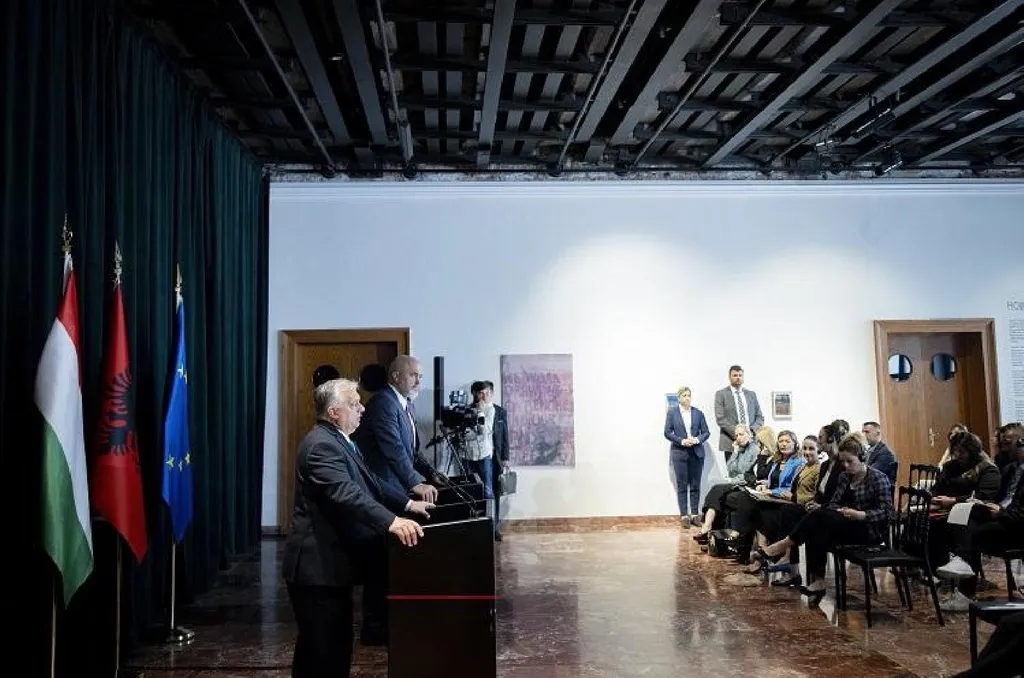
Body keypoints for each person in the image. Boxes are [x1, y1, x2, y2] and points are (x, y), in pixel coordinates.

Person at [283, 378, 433, 677]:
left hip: (332, 567)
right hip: (316, 569)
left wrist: (407, 504)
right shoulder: (321, 446)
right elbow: (348, 494)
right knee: (324, 654)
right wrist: (392, 521)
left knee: (328, 650)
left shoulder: (341, 440)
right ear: (334, 412)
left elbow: (371, 481)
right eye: (354, 404)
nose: (362, 408)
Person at [757, 432, 894, 606]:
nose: (845, 465)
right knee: (817, 524)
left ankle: (785, 545)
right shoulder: (845, 477)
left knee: (819, 517)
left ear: (862, 458)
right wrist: (840, 510)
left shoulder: (877, 478)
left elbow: (887, 513)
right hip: (845, 523)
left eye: (849, 461)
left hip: (868, 530)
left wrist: (861, 515)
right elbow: (834, 503)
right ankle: (818, 580)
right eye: (843, 462)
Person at [354, 355, 443, 503]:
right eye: (413, 375)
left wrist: (431, 472)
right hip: (382, 490)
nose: (418, 382)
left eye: (420, 377)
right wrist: (415, 483)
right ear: (396, 376)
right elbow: (394, 448)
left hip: (399, 487)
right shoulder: (383, 402)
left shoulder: (408, 404)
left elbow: (412, 451)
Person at [463, 380, 510, 541]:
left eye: (488, 393)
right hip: (470, 456)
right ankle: (475, 527)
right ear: (475, 394)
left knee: (492, 492)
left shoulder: (499, 411)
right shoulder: (467, 410)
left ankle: (493, 527)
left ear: (492, 393)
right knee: (472, 490)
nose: (484, 396)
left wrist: (505, 458)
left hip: (493, 457)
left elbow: (505, 435)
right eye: (481, 393)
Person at [664, 386, 710, 527]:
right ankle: (684, 515)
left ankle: (695, 515)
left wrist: (696, 440)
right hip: (679, 452)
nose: (687, 398)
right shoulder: (672, 413)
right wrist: (682, 441)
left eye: (689, 395)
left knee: (695, 484)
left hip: (696, 452)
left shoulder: (698, 413)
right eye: (684, 395)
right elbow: (667, 432)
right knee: (682, 485)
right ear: (679, 398)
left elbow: (706, 432)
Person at [714, 365, 764, 460]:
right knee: (733, 469)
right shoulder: (721, 394)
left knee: (751, 469)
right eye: (735, 375)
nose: (738, 377)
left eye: (740, 375)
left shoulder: (751, 394)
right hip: (731, 442)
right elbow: (720, 418)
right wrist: (739, 434)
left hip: (751, 441)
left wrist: (750, 432)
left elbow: (759, 417)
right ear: (729, 377)